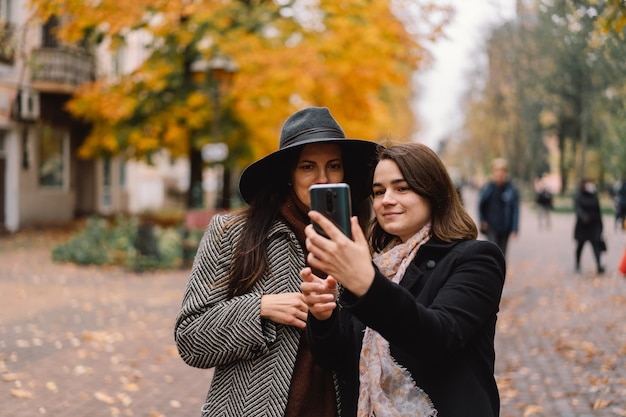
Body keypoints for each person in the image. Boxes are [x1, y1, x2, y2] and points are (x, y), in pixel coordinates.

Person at [173, 107, 379, 417]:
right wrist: (260, 308)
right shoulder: (233, 234)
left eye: (333, 166)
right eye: (307, 167)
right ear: (289, 174)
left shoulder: (366, 243)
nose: (322, 178)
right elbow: (190, 338)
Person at [300, 142, 506, 417]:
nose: (386, 199)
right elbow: (337, 360)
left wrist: (367, 285)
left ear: (432, 191)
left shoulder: (476, 258)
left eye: (401, 188)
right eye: (378, 191)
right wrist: (322, 317)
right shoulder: (377, 265)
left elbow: (438, 338)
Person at [478, 158, 520, 256]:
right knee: (493, 253)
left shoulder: (511, 189)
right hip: (492, 227)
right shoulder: (488, 188)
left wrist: (515, 228)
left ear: (506, 172)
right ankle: (493, 271)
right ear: (493, 172)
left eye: (502, 170)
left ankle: (501, 271)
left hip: (505, 227)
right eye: (497, 170)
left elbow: (515, 210)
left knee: (502, 254)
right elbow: (480, 205)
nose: (499, 174)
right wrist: (482, 220)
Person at [574, 178, 605, 274]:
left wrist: (601, 225)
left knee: (596, 246)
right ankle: (578, 264)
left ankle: (599, 265)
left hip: (594, 225)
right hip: (583, 226)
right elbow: (577, 208)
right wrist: (584, 217)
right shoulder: (578, 195)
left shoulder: (594, 196)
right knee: (580, 246)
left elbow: (598, 210)